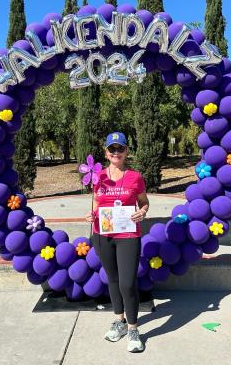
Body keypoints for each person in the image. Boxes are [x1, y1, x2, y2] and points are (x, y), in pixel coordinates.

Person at [85, 131, 150, 352]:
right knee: (112, 280)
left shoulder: (135, 177)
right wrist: (91, 215)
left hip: (128, 235)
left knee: (127, 283)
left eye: (120, 148)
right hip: (102, 234)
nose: (116, 152)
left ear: (126, 151)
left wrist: (142, 212)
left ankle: (133, 329)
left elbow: (144, 202)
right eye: (112, 149)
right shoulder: (97, 177)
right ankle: (119, 321)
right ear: (106, 152)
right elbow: (96, 203)